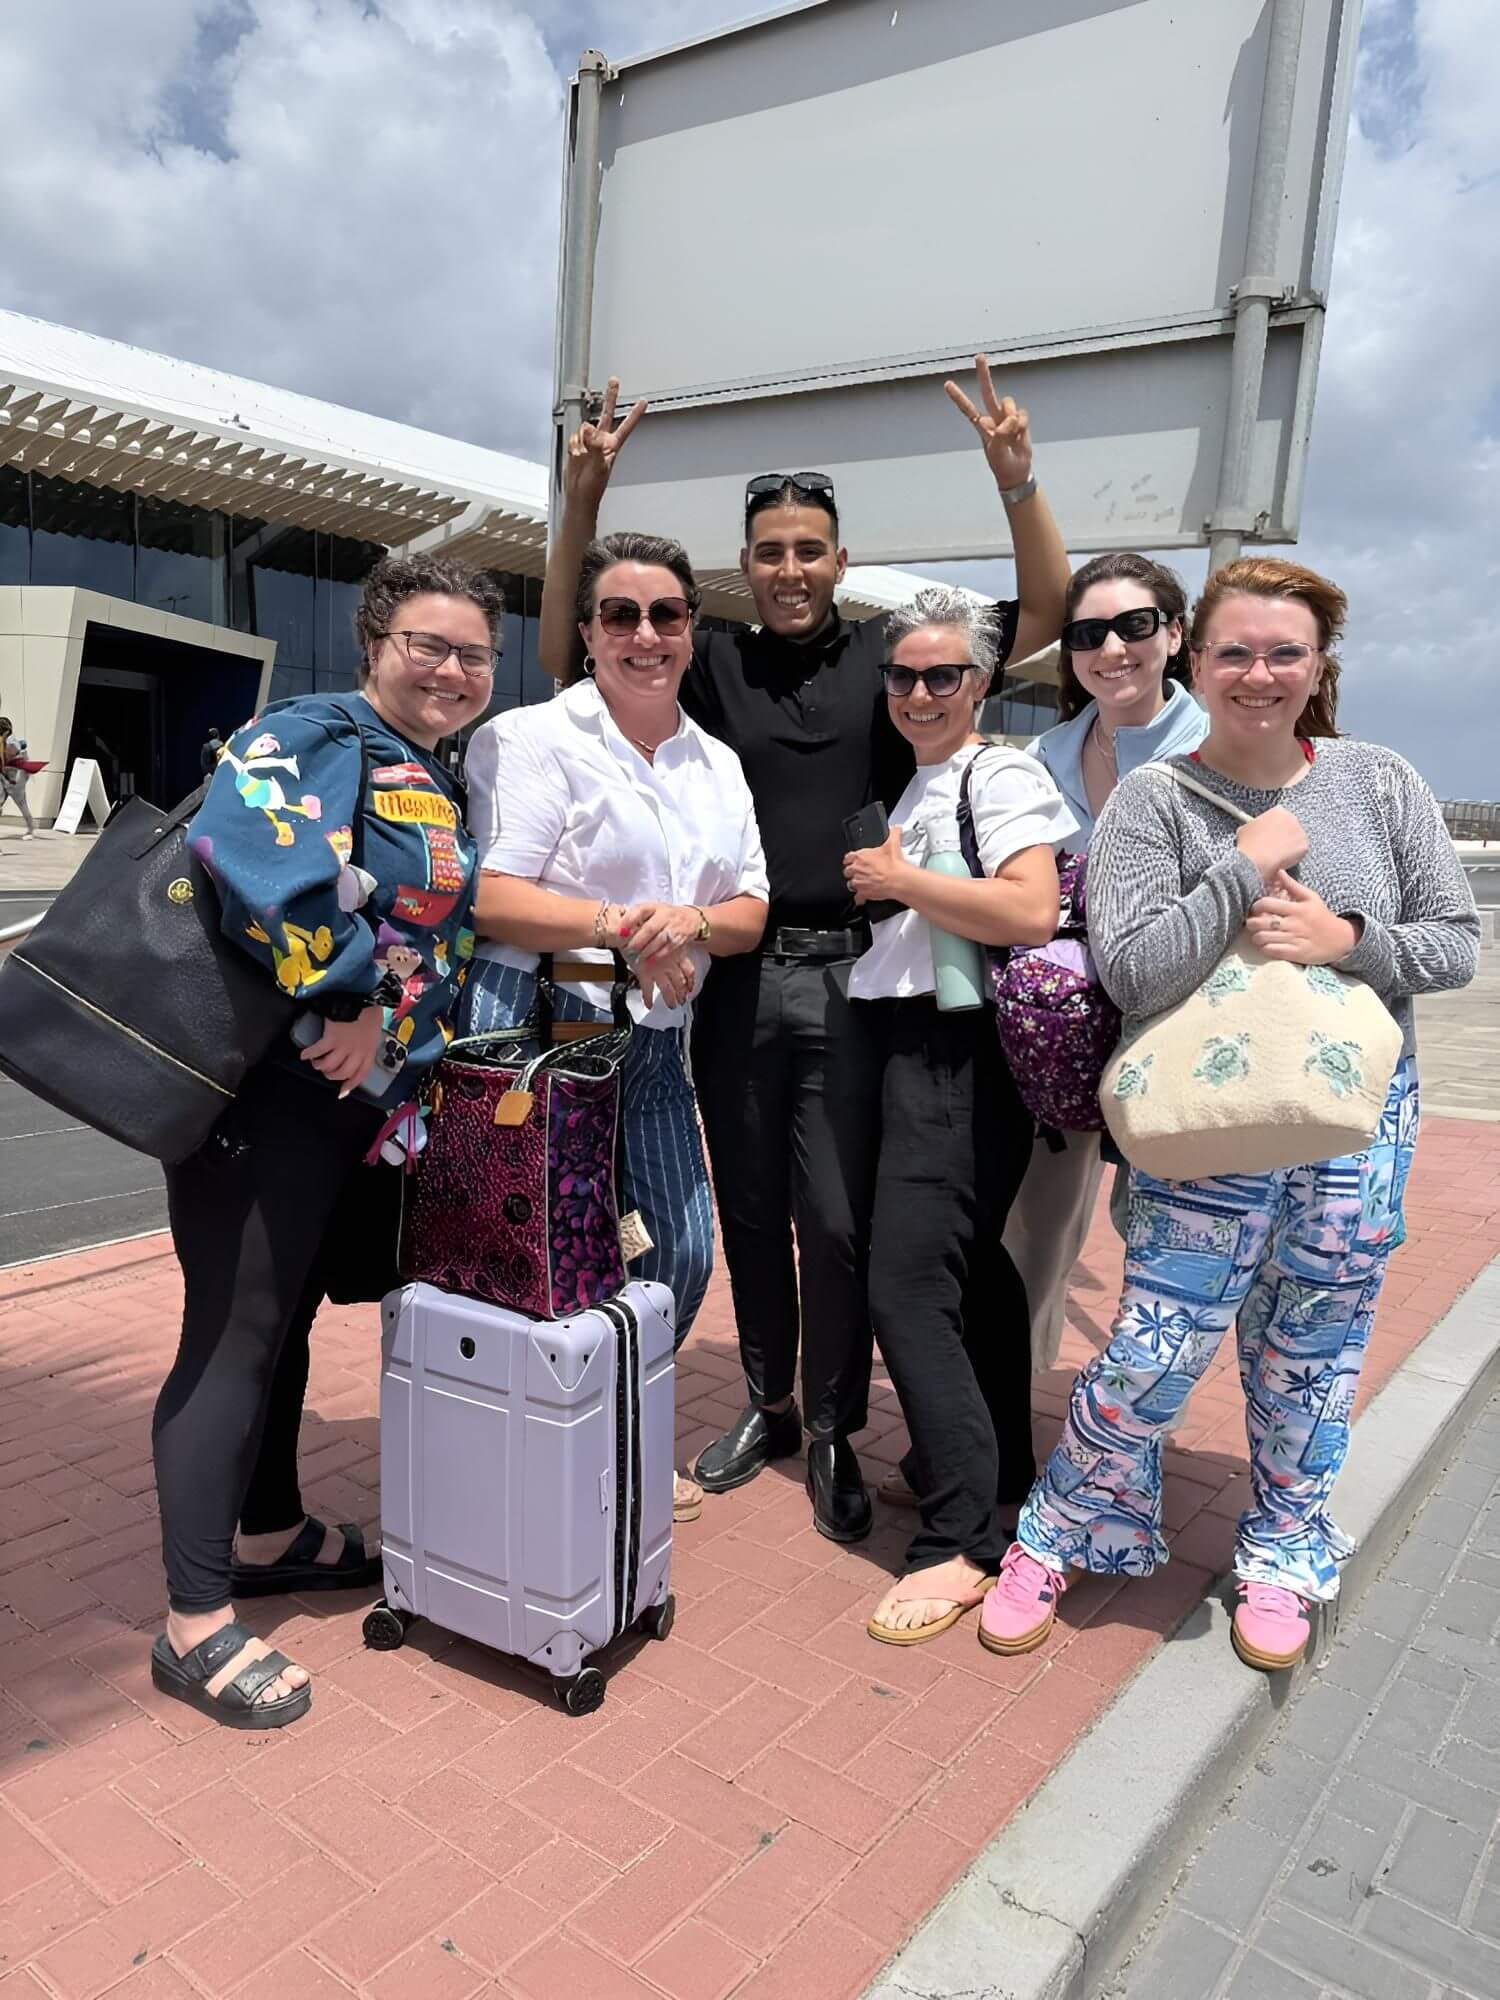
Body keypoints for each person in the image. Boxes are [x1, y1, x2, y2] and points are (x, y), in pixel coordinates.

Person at [539, 361, 1070, 1542]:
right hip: (737, 970)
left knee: (833, 1215)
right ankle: (772, 1405)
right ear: (748, 561)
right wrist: (583, 500)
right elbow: (562, 653)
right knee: (754, 1199)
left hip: (858, 978)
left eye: (810, 548)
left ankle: (835, 1419)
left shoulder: (892, 655)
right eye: (770, 549)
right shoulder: (713, 658)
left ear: (840, 557)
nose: (789, 568)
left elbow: (1034, 623)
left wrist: (1016, 482)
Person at [978, 557, 1480, 1673]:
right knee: (1156, 1342)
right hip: (1205, 1116)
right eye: (1236, 652)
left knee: (1316, 1344)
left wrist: (1352, 939)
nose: (1260, 672)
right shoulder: (1154, 799)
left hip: (1354, 1120)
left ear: (1318, 666)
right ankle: (1064, 1526)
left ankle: (1285, 1544)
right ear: (1198, 664)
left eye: (1284, 651)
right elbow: (1132, 970)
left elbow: (1454, 940)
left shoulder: (1379, 783)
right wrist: (1241, 871)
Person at [150, 553, 498, 1729]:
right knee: (235, 1333)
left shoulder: (425, 767)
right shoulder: (321, 729)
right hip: (270, 1090)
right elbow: (246, 849)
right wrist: (343, 996)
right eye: (428, 645)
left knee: (285, 1319)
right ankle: (193, 1623)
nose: (453, 668)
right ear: (374, 646)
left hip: (349, 1101)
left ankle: (267, 1530)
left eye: (474, 653)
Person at [462, 530, 770, 1524]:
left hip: (653, 1034)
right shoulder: (531, 737)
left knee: (676, 1252)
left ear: (692, 629)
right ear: (587, 632)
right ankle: (526, 1461)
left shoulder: (716, 762)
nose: (645, 633)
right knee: (532, 1253)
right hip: (543, 1026)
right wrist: (629, 925)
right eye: (621, 615)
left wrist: (691, 922)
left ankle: (586, 1421)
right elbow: (497, 897)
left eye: (666, 614)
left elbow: (751, 906)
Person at [842, 588, 1077, 1642]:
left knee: (907, 1281)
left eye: (944, 674)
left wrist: (900, 878)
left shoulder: (1002, 769)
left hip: (958, 1053)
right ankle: (993, 1470)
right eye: (904, 675)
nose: (921, 691)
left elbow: (1032, 906)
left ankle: (961, 1539)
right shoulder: (924, 779)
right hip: (906, 1044)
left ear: (981, 683)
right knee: (967, 1264)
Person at [1006, 553, 1209, 1371]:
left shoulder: (1215, 747)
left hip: (1179, 1039)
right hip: (1060, 1046)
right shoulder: (1041, 757)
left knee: (1170, 1255)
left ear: (1174, 634)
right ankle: (1005, 1436)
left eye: (1134, 626)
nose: (1112, 649)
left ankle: (1128, 1445)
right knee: (1033, 1239)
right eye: (1089, 632)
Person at [0, 717, 37, 838]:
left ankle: (31, 828)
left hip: (15, 779)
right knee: (21, 804)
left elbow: (16, 758)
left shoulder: (10, 742)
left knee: (21, 804)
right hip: (8, 777)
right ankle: (31, 828)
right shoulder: (6, 741)